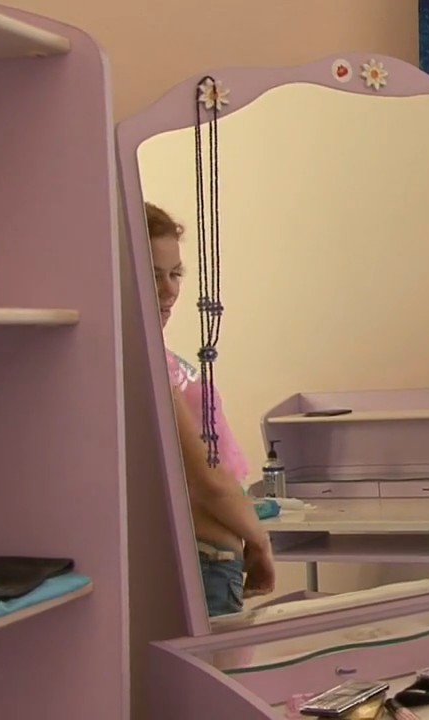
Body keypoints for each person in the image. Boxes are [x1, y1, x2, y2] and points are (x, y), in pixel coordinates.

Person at [146, 202, 276, 617]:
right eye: (153, 275)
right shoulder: (141, 362)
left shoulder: (159, 357)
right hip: (205, 564)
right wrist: (259, 541)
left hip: (210, 560)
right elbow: (206, 480)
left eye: (175, 274)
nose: (169, 290)